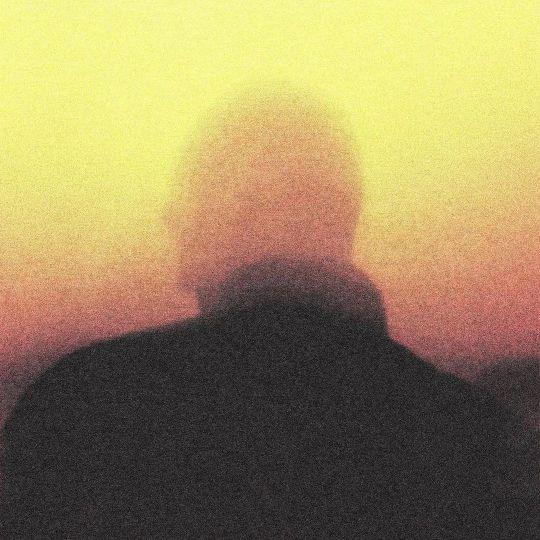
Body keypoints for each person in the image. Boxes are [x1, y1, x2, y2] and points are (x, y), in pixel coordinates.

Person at [2, 91, 537, 538]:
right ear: (344, 216)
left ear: (242, 208)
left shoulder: (90, 407)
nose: (171, 223)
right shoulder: (479, 443)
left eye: (189, 201)